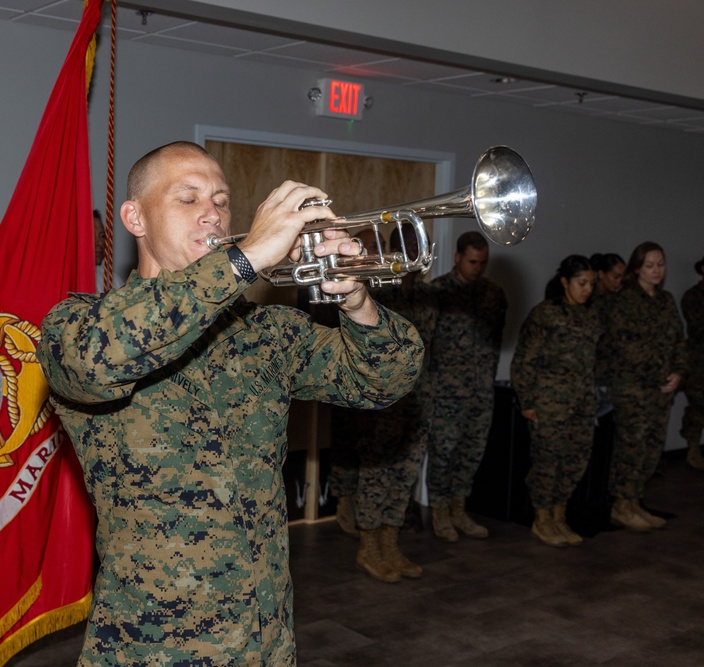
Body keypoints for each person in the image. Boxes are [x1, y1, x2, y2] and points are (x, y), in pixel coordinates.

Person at [35, 141, 424, 665]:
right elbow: (101, 361)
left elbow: (383, 380)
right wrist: (246, 260)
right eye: (188, 198)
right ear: (135, 217)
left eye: (221, 199)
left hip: (265, 638)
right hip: (154, 645)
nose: (212, 213)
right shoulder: (79, 325)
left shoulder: (262, 331)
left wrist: (356, 301)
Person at [329, 225, 438, 582]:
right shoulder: (375, 291)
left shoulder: (428, 294)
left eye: (414, 245)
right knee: (375, 473)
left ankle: (391, 544)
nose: (409, 251)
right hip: (383, 401)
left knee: (404, 473)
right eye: (403, 245)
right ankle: (369, 547)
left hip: (419, 398)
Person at [511, 256, 601, 547]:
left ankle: (559, 516)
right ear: (565, 282)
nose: (587, 289)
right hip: (549, 403)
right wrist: (527, 401)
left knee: (574, 461)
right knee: (547, 463)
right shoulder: (545, 314)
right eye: (581, 283)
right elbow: (524, 360)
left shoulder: (592, 316)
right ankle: (542, 520)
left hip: (582, 403)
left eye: (591, 284)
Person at [597, 241, 686, 531]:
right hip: (632, 389)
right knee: (631, 449)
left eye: (661, 264)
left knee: (651, 449)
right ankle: (621, 506)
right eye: (650, 265)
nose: (657, 270)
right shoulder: (623, 302)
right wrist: (659, 377)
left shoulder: (666, 301)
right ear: (637, 269)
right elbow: (627, 349)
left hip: (661, 390)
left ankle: (635, 502)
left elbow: (678, 342)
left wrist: (678, 372)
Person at [427, 230, 507, 541]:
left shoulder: (493, 294)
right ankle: (439, 512)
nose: (478, 268)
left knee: (472, 452)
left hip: (480, 389)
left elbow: (496, 339)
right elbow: (426, 343)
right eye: (472, 262)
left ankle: (460, 509)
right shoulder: (437, 293)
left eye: (483, 263)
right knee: (443, 453)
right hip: (446, 391)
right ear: (458, 257)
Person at [680, 256, 704, 471]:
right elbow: (698, 327)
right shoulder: (693, 296)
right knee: (698, 407)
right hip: (698, 362)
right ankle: (693, 450)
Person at [93, 208, 106, 292]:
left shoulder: (113, 281)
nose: (100, 243)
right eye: (92, 236)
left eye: (102, 236)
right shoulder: (65, 280)